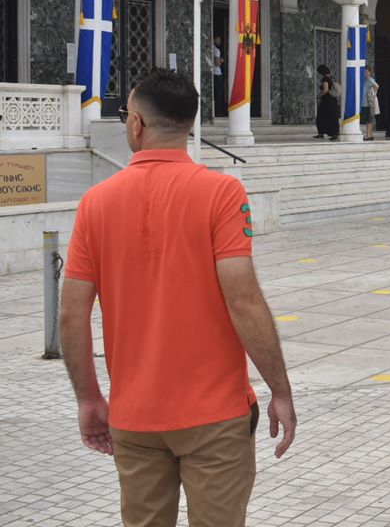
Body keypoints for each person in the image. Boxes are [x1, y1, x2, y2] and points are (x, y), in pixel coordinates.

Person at [58, 69, 296, 525]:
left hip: (134, 417)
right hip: (217, 416)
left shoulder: (96, 203)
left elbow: (72, 315)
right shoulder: (222, 193)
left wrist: (89, 400)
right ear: (188, 125)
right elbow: (243, 300)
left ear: (136, 125)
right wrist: (280, 390)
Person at [314, 65, 339, 140]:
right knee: (332, 117)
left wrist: (318, 96)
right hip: (332, 100)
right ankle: (334, 133)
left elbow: (325, 90)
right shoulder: (331, 78)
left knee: (321, 117)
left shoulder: (325, 79)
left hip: (327, 101)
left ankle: (321, 133)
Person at [362, 65, 380, 140]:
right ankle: (369, 134)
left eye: (366, 72)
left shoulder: (370, 80)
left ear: (369, 72)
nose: (365, 74)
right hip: (364, 103)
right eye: (364, 72)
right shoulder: (363, 80)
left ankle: (369, 135)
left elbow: (377, 86)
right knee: (367, 120)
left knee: (369, 119)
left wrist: (374, 95)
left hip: (369, 103)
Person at [211, 34, 226, 117]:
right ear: (213, 40)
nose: (219, 42)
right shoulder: (216, 50)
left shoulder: (209, 49)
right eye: (218, 40)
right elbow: (217, 63)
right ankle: (218, 112)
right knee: (218, 94)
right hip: (217, 74)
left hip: (212, 74)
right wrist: (221, 61)